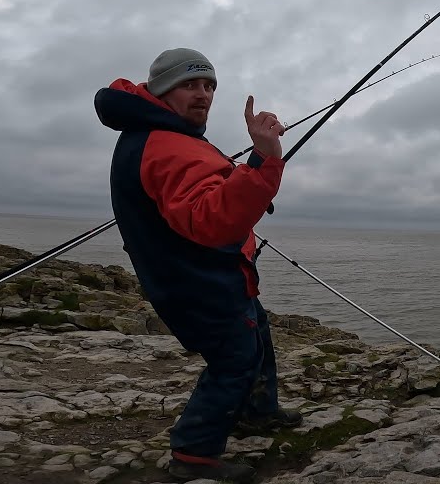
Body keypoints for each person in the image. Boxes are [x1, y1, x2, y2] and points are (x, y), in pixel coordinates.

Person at [94, 47, 301, 483]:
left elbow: (209, 193)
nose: (203, 93)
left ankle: (259, 410)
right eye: (190, 84)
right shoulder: (164, 144)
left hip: (213, 272)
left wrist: (251, 174)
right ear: (163, 89)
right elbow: (210, 220)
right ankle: (194, 455)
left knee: (256, 337)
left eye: (209, 85)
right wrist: (264, 162)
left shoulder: (169, 135)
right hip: (197, 280)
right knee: (235, 360)